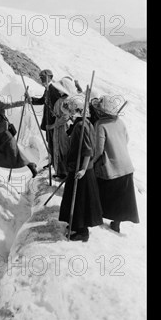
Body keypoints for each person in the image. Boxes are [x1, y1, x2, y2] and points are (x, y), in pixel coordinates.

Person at [58, 94, 103, 242]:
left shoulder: (81, 126)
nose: (68, 113)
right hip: (77, 168)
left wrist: (83, 169)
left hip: (81, 170)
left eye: (70, 110)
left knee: (80, 201)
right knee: (74, 198)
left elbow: (88, 150)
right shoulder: (82, 123)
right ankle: (75, 224)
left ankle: (82, 231)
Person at [92, 95, 140, 233]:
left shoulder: (100, 125)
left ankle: (97, 217)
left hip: (111, 167)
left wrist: (92, 162)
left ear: (101, 111)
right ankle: (116, 223)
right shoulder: (120, 122)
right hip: (125, 165)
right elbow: (126, 139)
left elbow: (99, 150)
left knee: (101, 190)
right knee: (121, 196)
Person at [0, 87, 38, 177]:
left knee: (13, 151)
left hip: (3, 131)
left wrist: (25, 101)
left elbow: (12, 104)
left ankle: (30, 165)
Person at [48, 77, 80, 180]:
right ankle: (64, 172)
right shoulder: (72, 100)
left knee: (62, 148)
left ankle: (63, 172)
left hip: (62, 129)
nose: (58, 90)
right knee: (64, 148)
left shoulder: (63, 101)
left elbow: (64, 117)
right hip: (67, 127)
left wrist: (53, 126)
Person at [30, 69, 62, 170]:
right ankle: (53, 162)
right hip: (48, 121)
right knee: (50, 142)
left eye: (43, 77)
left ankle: (57, 165)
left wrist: (55, 119)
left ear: (50, 77)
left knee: (55, 143)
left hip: (53, 122)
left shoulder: (54, 89)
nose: (41, 80)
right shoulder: (48, 88)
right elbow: (43, 100)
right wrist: (31, 99)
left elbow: (58, 106)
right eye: (41, 78)